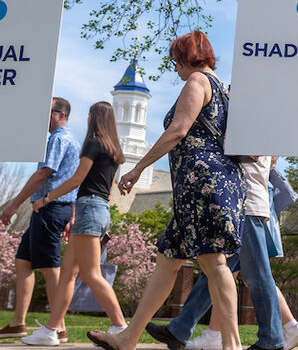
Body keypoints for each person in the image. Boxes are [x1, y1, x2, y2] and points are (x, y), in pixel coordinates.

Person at [88, 31, 245, 350]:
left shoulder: (198, 81)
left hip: (202, 185)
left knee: (214, 262)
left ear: (189, 57)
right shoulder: (222, 90)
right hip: (206, 185)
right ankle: (129, 338)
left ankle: (233, 346)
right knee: (167, 260)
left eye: (176, 60)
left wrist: (137, 167)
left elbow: (178, 130)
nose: (175, 68)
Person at [146, 156, 286, 350]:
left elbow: (243, 155)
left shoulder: (256, 127)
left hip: (247, 205)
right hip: (238, 203)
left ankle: (272, 339)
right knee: (214, 271)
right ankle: (179, 329)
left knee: (257, 275)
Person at [21, 101, 129, 345]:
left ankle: (121, 327)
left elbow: (77, 179)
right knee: (68, 274)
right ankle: (51, 331)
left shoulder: (93, 143)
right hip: (99, 210)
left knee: (91, 274)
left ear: (92, 117)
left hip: (89, 208)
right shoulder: (114, 150)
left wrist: (47, 198)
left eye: (89, 115)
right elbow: (109, 190)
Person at [0, 97, 81, 341]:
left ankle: (58, 327)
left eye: (46, 112)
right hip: (51, 209)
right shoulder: (70, 139)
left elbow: (43, 173)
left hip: (50, 210)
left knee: (50, 268)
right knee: (24, 262)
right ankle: (18, 323)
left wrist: (14, 205)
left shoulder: (59, 138)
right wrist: (71, 214)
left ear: (60, 114)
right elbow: (72, 179)